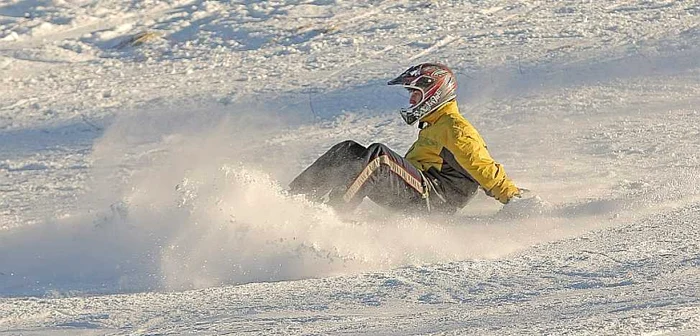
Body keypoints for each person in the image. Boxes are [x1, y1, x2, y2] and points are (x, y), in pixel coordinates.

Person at [288, 63, 521, 214]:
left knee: (378, 157)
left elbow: (482, 167)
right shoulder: (434, 125)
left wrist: (514, 199)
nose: (411, 101)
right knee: (347, 150)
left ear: (434, 93)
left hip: (433, 203)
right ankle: (292, 201)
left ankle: (332, 215)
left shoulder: (455, 128)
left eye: (415, 94)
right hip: (422, 195)